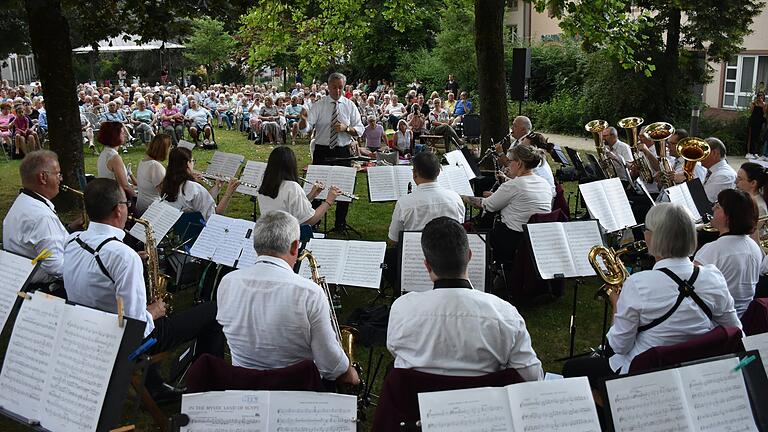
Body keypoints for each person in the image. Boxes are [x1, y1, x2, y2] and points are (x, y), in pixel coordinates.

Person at [63, 178, 225, 396]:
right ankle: (208, 386)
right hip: (121, 338)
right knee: (213, 311)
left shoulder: (73, 241)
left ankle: (154, 384)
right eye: (126, 203)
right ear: (118, 210)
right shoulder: (122, 255)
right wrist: (155, 311)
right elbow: (135, 326)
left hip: (89, 326)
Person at [564, 203, 741, 391]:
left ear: (652, 237)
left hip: (644, 373)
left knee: (570, 368)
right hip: (695, 369)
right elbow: (735, 329)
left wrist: (616, 305)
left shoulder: (639, 284)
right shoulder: (713, 276)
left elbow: (619, 346)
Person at [387, 217, 543, 380]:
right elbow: (531, 376)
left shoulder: (402, 309)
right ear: (469, 256)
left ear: (427, 265)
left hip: (416, 402)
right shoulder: (505, 314)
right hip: (484, 402)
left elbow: (396, 353)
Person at [216, 210, 361, 385]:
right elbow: (330, 366)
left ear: (256, 245)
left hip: (245, 384)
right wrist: (351, 375)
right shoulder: (310, 293)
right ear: (294, 247)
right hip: (296, 390)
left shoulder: (227, 282)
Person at [3, 151, 78, 292]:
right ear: (43, 177)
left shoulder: (22, 202)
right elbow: (57, 268)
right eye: (57, 174)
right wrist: (88, 273)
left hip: (21, 281)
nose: (60, 179)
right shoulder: (42, 216)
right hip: (45, 289)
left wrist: (68, 230)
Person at [298, 72, 364, 232]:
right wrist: (302, 122)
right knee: (317, 186)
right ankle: (313, 221)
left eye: (341, 87)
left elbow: (360, 129)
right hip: (322, 151)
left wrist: (346, 129)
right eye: (334, 87)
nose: (338, 90)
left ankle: (340, 223)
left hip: (343, 151)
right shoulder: (319, 105)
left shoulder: (349, 105)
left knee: (344, 187)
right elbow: (306, 128)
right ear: (328, 87)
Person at [464, 144, 553, 262]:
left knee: (482, 224)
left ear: (519, 163)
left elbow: (484, 204)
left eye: (510, 161)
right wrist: (506, 181)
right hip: (537, 238)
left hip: (512, 239)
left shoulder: (513, 186)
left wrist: (460, 196)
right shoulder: (543, 183)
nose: (508, 164)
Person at [694, 189, 761, 317]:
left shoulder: (712, 250)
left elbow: (690, 289)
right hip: (742, 316)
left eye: (718, 206)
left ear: (728, 216)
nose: (713, 208)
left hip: (715, 320)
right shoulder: (753, 246)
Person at [387, 152, 465, 244]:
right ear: (439, 172)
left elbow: (394, 239)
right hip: (448, 253)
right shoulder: (456, 198)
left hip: (414, 253)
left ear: (414, 174)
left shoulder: (404, 203)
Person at [257, 146, 341, 226]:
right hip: (287, 237)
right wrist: (329, 201)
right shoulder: (292, 187)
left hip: (268, 234)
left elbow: (289, 207)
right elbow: (308, 221)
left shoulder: (265, 186)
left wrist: (312, 195)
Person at [159, 147, 238, 220]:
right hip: (199, 230)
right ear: (187, 164)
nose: (194, 164)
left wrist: (217, 187)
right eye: (193, 161)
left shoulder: (167, 183)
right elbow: (213, 216)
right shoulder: (193, 187)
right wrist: (228, 194)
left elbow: (202, 202)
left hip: (179, 227)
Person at [97, 122, 137, 200]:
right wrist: (136, 197)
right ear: (115, 136)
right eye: (122, 133)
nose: (125, 135)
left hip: (107, 194)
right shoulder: (114, 157)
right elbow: (124, 186)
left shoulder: (104, 153)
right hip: (115, 198)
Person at [136, 134, 171, 214]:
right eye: (169, 147)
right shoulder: (155, 166)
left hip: (141, 206)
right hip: (152, 210)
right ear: (164, 149)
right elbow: (165, 194)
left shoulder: (143, 162)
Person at [701, 137, 736, 203]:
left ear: (714, 153)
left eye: (702, 152)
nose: (699, 156)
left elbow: (704, 199)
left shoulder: (723, 175)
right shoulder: (712, 170)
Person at [747, 92, 766, 159]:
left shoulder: (764, 104)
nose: (760, 97)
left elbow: (765, 113)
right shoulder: (754, 103)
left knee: (757, 137)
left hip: (760, 123)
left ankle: (755, 152)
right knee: (751, 137)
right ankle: (749, 152)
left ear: (763, 97)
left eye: (762, 96)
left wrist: (763, 105)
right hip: (753, 122)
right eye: (759, 96)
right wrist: (754, 104)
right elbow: (750, 111)